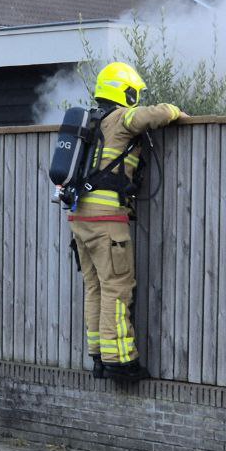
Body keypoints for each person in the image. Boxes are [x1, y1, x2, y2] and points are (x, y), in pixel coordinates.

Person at [69, 62, 185, 383]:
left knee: (94, 287)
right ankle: (120, 363)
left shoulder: (92, 122)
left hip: (79, 217)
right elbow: (150, 116)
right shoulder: (120, 119)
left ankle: (98, 357)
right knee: (117, 287)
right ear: (126, 91)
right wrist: (174, 110)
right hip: (107, 221)